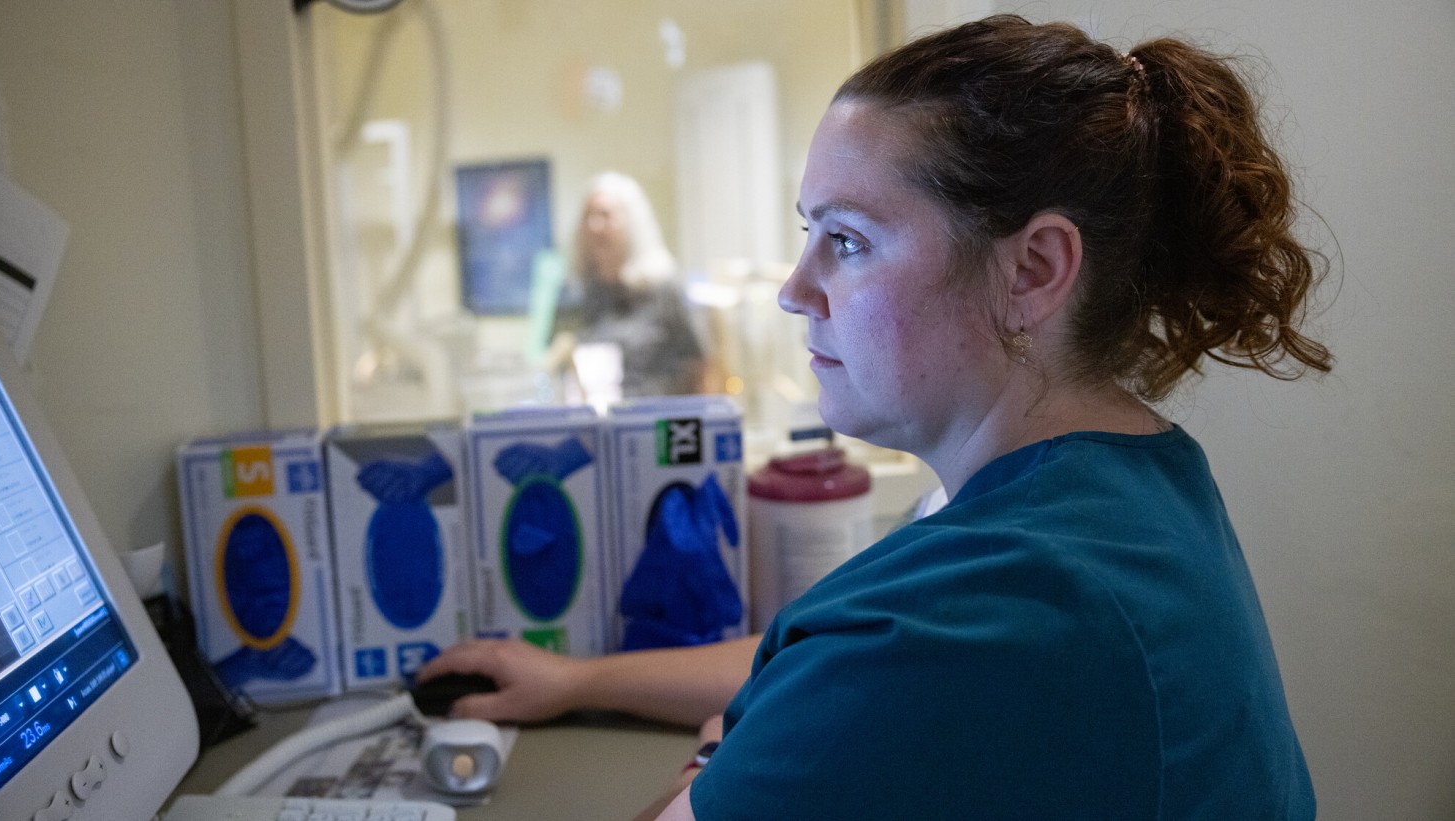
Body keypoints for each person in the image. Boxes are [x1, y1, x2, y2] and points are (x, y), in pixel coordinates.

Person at [426, 15, 1332, 819]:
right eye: (807, 231)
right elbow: (834, 651)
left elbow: (878, 661)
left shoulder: (996, 607)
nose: (795, 288)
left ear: (1034, 269)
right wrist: (579, 682)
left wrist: (720, 758)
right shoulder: (1123, 479)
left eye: (848, 240)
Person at [550, 171, 712, 400]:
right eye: (588, 216)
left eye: (605, 215)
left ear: (632, 222)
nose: (595, 226)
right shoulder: (573, 292)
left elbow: (698, 366)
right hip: (590, 423)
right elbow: (556, 362)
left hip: (654, 422)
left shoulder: (665, 289)